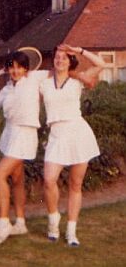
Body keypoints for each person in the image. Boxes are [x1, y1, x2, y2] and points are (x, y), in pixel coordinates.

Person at [40, 45, 105, 246]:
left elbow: (101, 64)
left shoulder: (78, 80)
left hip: (78, 133)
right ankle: (53, 223)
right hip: (56, 135)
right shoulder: (43, 82)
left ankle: (71, 231)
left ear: (70, 61)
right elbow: (19, 72)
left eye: (64, 58)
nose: (60, 60)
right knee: (49, 180)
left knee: (75, 185)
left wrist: (79, 50)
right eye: (57, 57)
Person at [0, 50, 48, 246]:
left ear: (26, 69)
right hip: (9, 133)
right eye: (11, 66)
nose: (15, 70)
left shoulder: (35, 78)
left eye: (19, 67)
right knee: (17, 179)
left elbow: (59, 71)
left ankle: (3, 223)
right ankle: (20, 223)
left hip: (25, 134)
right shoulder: (7, 89)